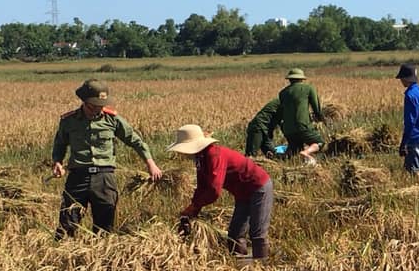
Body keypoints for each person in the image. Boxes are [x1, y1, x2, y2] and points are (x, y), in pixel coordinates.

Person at [51, 79, 163, 239]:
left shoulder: (113, 120)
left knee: (105, 227)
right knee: (67, 223)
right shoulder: (69, 121)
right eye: (94, 106)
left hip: (104, 177)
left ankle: (101, 259)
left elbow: (135, 141)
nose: (98, 109)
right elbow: (60, 145)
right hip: (78, 177)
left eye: (101, 105)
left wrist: (151, 164)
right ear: (85, 102)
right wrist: (57, 162)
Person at [167, 124, 273, 260]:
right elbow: (202, 187)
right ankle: (240, 268)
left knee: (257, 233)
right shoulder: (201, 158)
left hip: (259, 187)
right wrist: (193, 210)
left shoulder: (213, 154)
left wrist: (195, 206)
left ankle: (262, 270)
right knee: (235, 234)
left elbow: (213, 190)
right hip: (242, 193)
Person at [278, 68, 325, 165]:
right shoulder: (308, 88)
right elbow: (316, 108)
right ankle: (306, 152)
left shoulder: (282, 93)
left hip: (287, 128)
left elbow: (282, 110)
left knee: (294, 149)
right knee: (319, 142)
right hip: (302, 125)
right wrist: (321, 119)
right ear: (302, 79)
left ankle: (278, 158)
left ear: (290, 79)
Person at [395, 63, 419, 174]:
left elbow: (410, 121)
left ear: (406, 78)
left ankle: (418, 189)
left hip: (415, 137)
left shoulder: (410, 95)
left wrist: (404, 143)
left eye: (401, 78)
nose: (400, 81)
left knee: (414, 171)